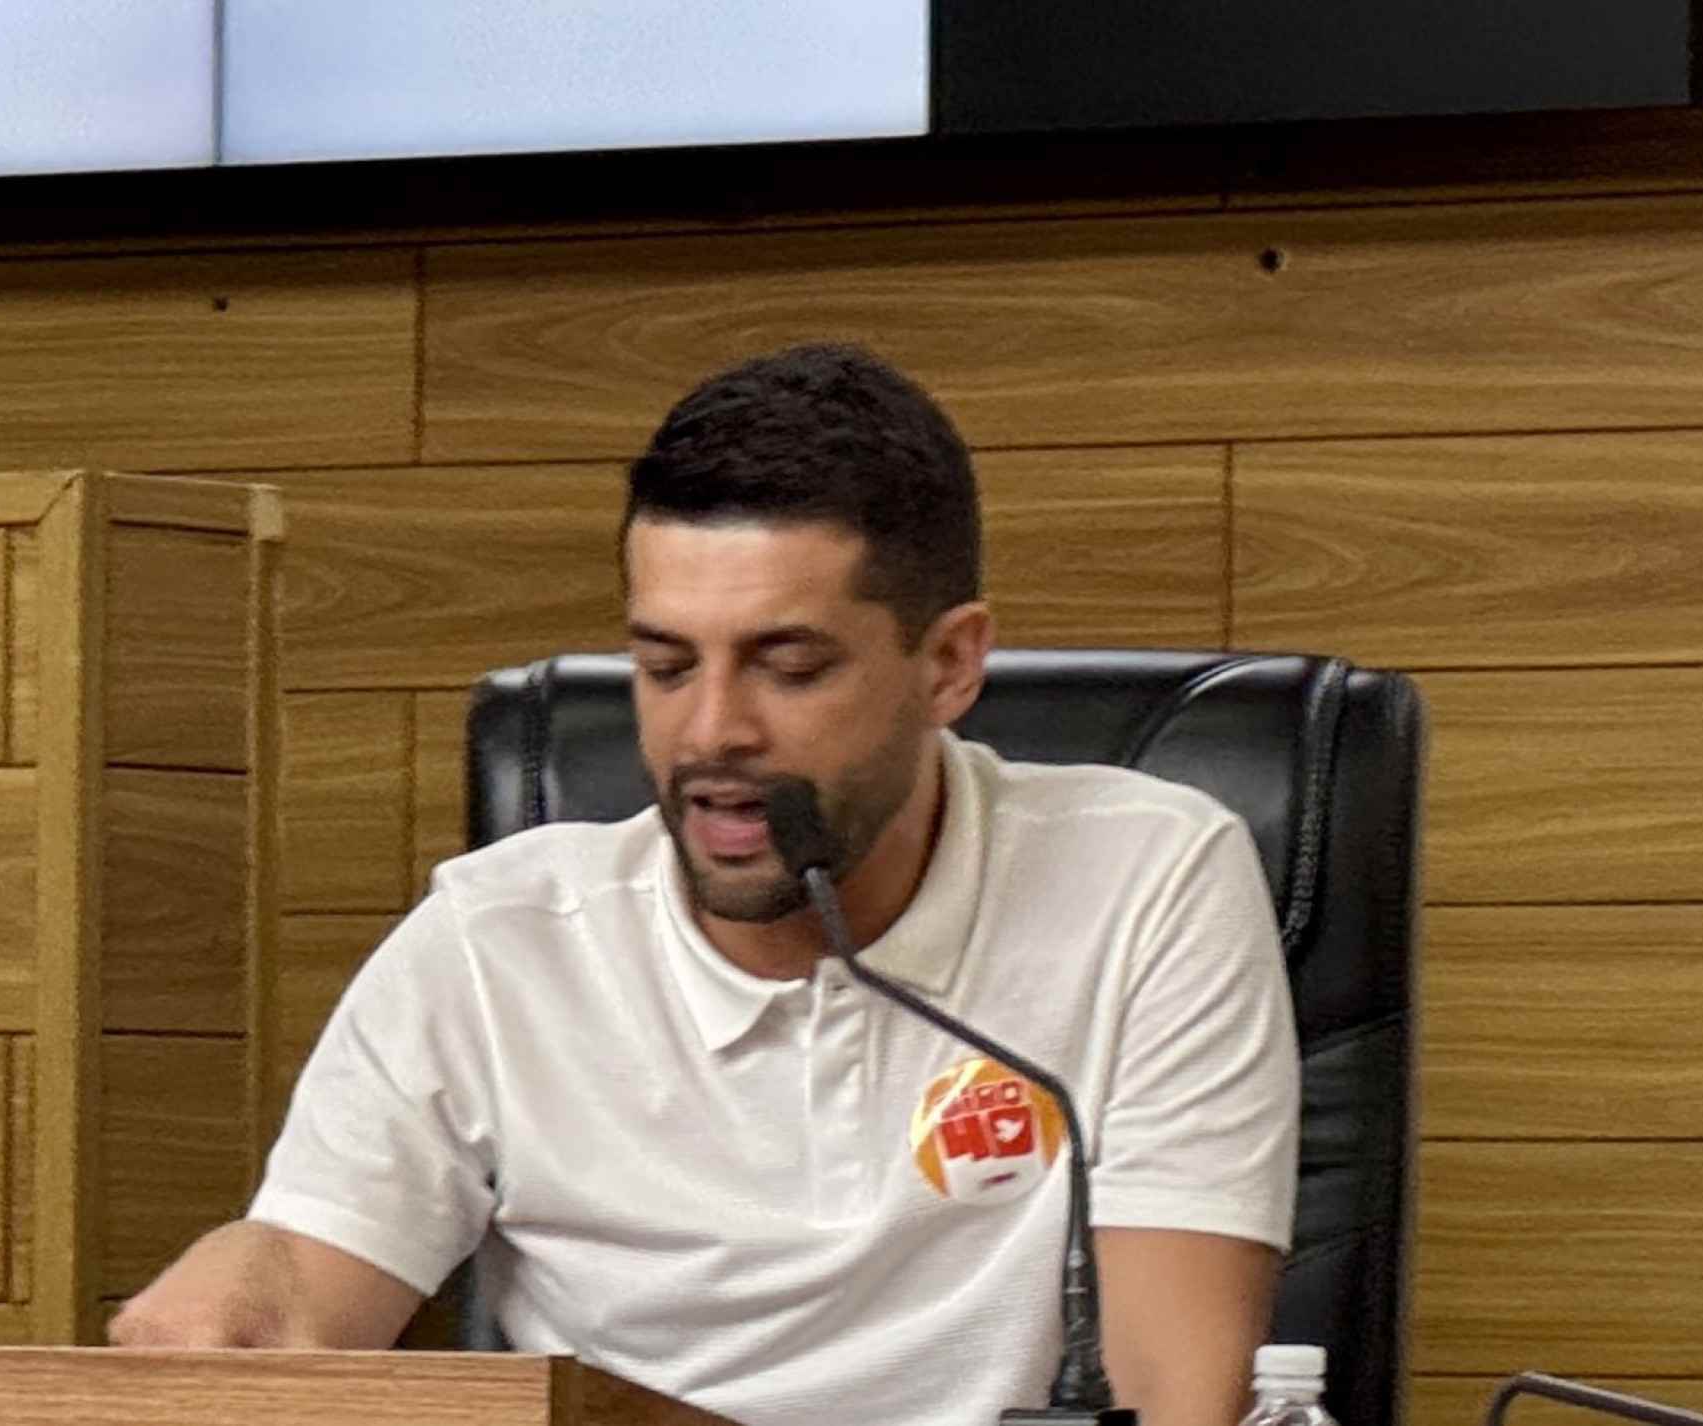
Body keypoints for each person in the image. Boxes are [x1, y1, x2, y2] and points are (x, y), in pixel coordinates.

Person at [111, 343, 1299, 1426]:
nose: (710, 731)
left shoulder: (1145, 881)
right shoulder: (498, 938)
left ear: (947, 664)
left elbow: (1172, 1395)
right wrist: (257, 1279)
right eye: (665, 666)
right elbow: (298, 1301)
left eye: (787, 666)